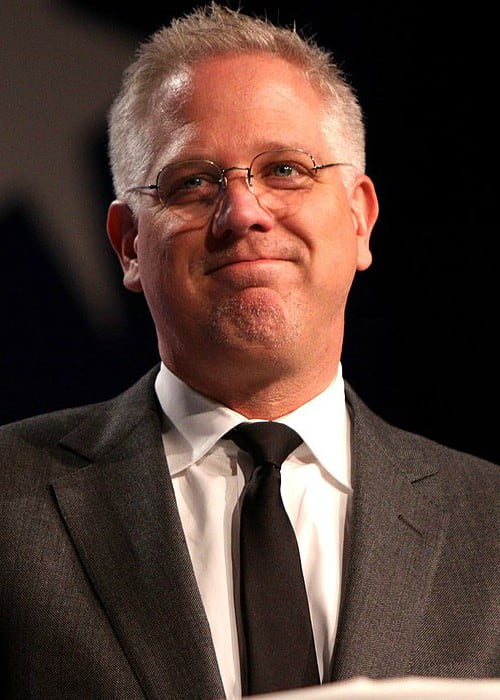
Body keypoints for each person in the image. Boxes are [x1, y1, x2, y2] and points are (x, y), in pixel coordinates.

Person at [0, 4, 498, 699]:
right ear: (128, 244)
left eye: (287, 169)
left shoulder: (491, 520)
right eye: (192, 183)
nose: (243, 213)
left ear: (359, 217)